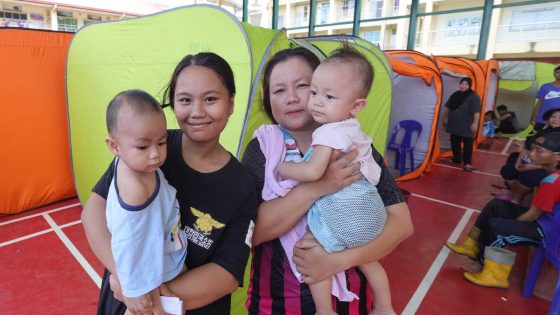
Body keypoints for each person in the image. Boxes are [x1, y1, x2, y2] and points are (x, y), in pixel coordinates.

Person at [81, 52, 258, 315]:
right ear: (173, 105)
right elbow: (93, 212)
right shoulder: (146, 145)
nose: (197, 112)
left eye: (210, 99)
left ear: (231, 103)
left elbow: (227, 274)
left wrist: (158, 299)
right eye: (185, 100)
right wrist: (130, 281)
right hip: (126, 298)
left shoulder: (241, 184)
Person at [242, 47, 413, 314]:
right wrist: (320, 186)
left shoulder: (356, 148)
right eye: (278, 91)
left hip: (353, 300)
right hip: (276, 302)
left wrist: (337, 260)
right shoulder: (262, 149)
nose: (292, 98)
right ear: (268, 101)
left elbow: (402, 225)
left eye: (304, 86)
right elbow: (251, 232)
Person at [103, 90, 187, 315]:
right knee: (146, 309)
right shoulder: (135, 191)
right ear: (114, 146)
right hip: (150, 261)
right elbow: (128, 242)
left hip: (165, 242)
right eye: (143, 147)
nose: (155, 155)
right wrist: (133, 287)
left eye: (161, 142)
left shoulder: (130, 162)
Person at [445, 131, 560, 288]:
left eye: (538, 151)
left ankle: (493, 273)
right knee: (496, 205)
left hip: (548, 231)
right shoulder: (551, 173)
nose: (532, 154)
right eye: (532, 148)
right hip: (546, 219)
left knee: (497, 226)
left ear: (557, 157)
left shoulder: (551, 182)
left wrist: (513, 227)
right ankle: (472, 245)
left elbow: (533, 214)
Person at [496, 107, 560, 204]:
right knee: (508, 169)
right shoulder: (542, 132)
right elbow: (527, 147)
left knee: (527, 177)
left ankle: (517, 197)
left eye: (559, 118)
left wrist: (532, 166)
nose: (556, 119)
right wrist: (518, 161)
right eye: (553, 116)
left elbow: (554, 163)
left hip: (547, 166)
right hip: (532, 160)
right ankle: (513, 192)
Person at [442, 77, 482, 172]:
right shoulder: (455, 95)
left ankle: (467, 163)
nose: (463, 86)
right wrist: (443, 118)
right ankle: (457, 159)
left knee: (468, 144)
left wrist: (475, 123)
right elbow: (448, 108)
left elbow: (476, 111)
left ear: (469, 85)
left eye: (466, 84)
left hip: (467, 124)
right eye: (461, 84)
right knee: (454, 142)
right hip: (454, 123)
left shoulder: (474, 96)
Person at [531, 65, 560, 132]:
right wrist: (533, 117)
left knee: (553, 140)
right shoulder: (545, 86)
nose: (559, 74)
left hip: (558, 121)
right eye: (557, 72)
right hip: (542, 119)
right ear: (554, 74)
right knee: (536, 138)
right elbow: (539, 103)